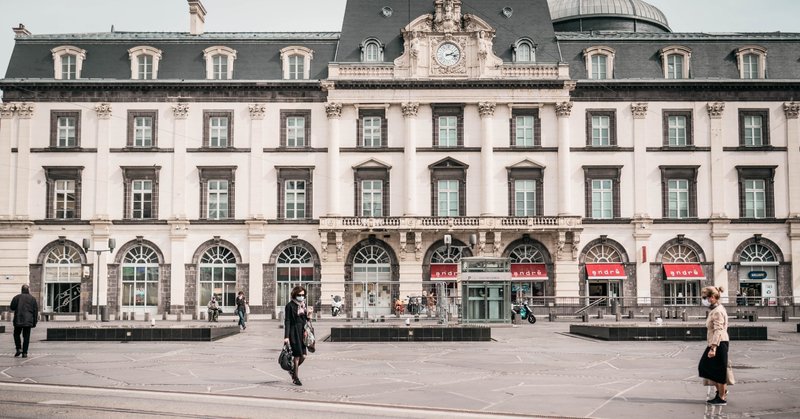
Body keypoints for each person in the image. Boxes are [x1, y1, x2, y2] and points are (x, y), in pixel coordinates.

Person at [698, 285, 733, 405]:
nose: (704, 300)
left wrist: (713, 347)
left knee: (717, 370)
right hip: (717, 341)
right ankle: (721, 393)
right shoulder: (717, 309)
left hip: (718, 343)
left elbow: (719, 329)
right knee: (708, 368)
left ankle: (722, 397)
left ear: (712, 297)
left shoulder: (718, 311)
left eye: (705, 297)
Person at [284, 285, 309, 386]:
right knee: (297, 355)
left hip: (302, 332)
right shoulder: (289, 306)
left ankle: (292, 369)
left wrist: (309, 316)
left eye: (303, 295)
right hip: (293, 332)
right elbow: (287, 321)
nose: (301, 297)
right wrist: (286, 337)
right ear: (295, 294)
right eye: (299, 295)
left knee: (303, 356)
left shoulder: (303, 305)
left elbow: (305, 320)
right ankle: (295, 378)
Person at [10, 284, 38, 358]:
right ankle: (25, 352)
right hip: (28, 321)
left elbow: (12, 307)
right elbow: (35, 311)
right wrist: (34, 322)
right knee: (26, 337)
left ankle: (18, 348)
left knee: (16, 334)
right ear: (28, 290)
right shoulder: (32, 299)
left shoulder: (16, 297)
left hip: (18, 319)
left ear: (21, 290)